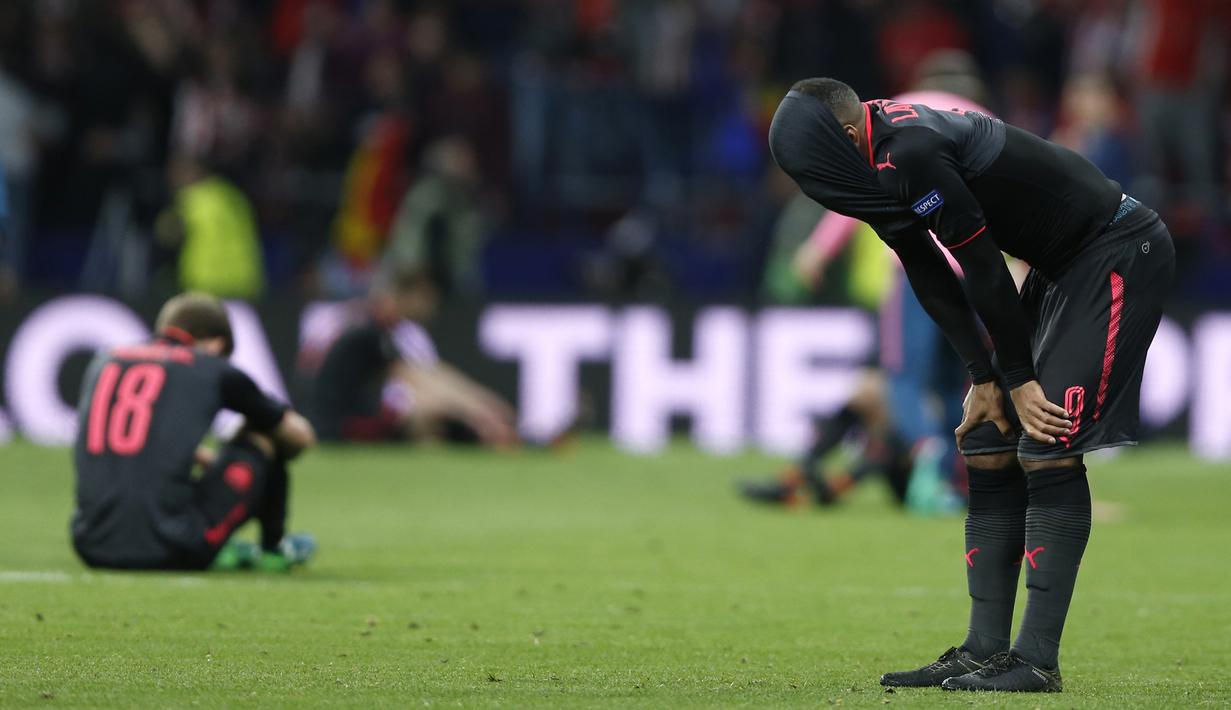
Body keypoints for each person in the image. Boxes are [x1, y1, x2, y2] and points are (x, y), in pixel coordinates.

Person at [768, 78, 1175, 692]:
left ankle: (1035, 660)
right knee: (987, 439)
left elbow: (982, 267)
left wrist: (1013, 377)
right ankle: (984, 650)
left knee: (1047, 441)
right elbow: (928, 270)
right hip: (1061, 265)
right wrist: (987, 379)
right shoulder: (879, 159)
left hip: (1115, 249)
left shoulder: (911, 152)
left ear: (846, 139)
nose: (813, 180)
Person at [71, 293, 317, 572]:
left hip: (90, 542)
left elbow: (129, 439)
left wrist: (208, 462)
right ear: (216, 343)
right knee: (263, 434)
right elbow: (301, 437)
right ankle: (274, 549)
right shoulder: (210, 367)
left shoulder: (106, 359)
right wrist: (247, 456)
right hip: (175, 545)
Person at [309, 265, 517, 447]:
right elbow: (414, 377)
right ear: (405, 295)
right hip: (341, 427)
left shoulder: (370, 321)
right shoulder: (370, 331)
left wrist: (483, 404)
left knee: (426, 403)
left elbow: (430, 373)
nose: (431, 307)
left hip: (344, 415)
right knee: (425, 410)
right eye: (426, 298)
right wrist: (480, 416)